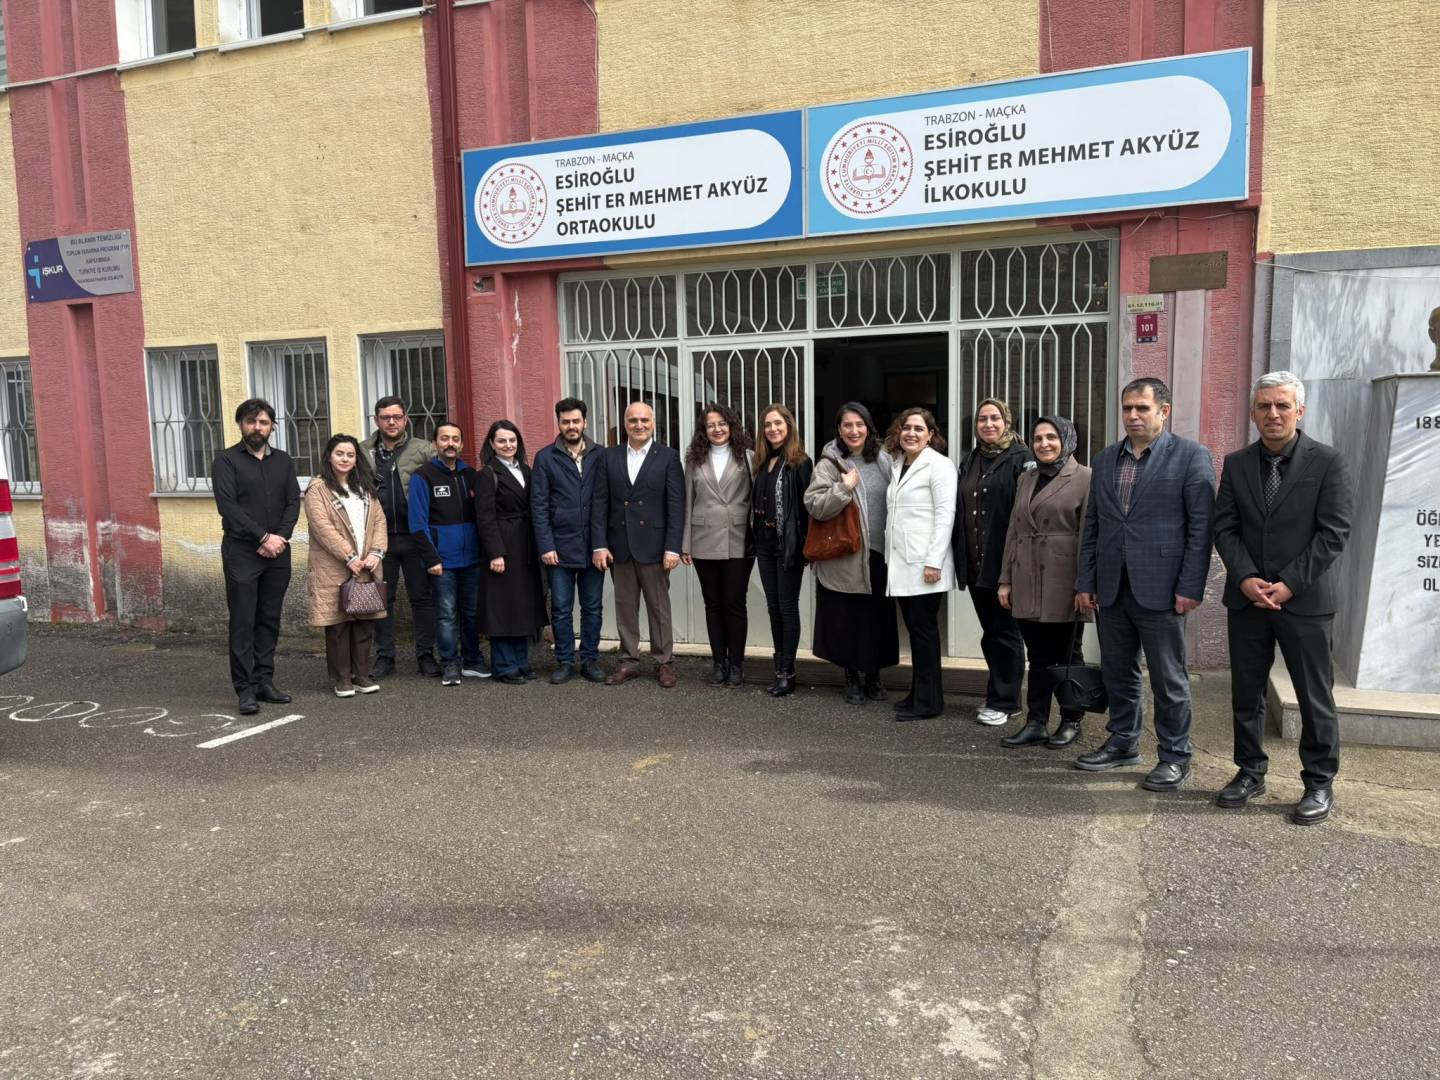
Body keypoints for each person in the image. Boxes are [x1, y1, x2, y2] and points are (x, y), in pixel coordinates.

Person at [1214, 371, 1353, 825]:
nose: (1273, 414)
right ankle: (1250, 771)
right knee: (1246, 692)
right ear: (1253, 412)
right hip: (1248, 601)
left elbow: (1333, 533)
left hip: (1305, 601)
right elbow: (1225, 527)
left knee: (1314, 696)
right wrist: (1245, 577)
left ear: (1299, 411)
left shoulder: (1328, 462)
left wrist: (1290, 581)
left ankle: (1319, 781)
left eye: (1282, 405)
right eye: (1264, 406)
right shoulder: (1236, 464)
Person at [1075, 377, 1215, 791]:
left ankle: (1174, 756)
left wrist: (1190, 586)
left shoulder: (1190, 457)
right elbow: (1094, 525)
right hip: (1112, 588)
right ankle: (1123, 742)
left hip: (1163, 589)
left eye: (1142, 408)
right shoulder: (1105, 459)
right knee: (1118, 672)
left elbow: (1201, 529)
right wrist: (1087, 580)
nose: (1132, 416)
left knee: (1169, 679)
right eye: (1127, 408)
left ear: (1164, 411)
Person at [997, 416, 1092, 748]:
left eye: (1051, 437)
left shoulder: (1085, 477)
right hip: (1026, 575)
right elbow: (1014, 529)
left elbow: (1089, 536)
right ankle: (1036, 721)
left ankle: (1071, 720)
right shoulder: (1027, 477)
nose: (1044, 444)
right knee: (1037, 654)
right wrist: (1006, 579)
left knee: (1067, 654)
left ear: (1067, 440)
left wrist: (1085, 584)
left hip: (1063, 579)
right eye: (1038, 438)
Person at [804, 402, 898, 705]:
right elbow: (815, 505)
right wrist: (843, 488)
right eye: (847, 425)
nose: (854, 430)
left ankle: (874, 676)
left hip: (880, 553)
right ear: (839, 429)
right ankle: (852, 678)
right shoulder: (829, 464)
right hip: (846, 553)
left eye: (860, 424)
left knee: (877, 618)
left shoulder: (885, 460)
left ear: (868, 427)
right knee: (847, 618)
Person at [212, 398, 300, 716]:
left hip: (278, 551)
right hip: (242, 552)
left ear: (272, 426)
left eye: (263, 422)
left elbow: (293, 502)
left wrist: (279, 538)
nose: (257, 428)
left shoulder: (283, 461)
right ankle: (245, 689)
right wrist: (262, 537)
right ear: (241, 425)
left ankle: (264, 681)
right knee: (243, 621)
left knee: (269, 619)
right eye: (251, 422)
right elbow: (228, 506)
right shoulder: (226, 460)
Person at [591, 400, 685, 688]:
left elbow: (676, 505)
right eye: (633, 420)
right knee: (625, 608)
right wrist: (599, 544)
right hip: (620, 545)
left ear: (653, 423)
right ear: (625, 424)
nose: (639, 425)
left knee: (659, 608)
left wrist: (673, 547)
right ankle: (628, 660)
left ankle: (663, 661)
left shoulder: (668, 457)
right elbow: (600, 502)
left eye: (644, 420)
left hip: (655, 547)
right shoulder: (609, 456)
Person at [952, 398, 1032, 727]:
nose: (988, 424)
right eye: (982, 419)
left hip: (1004, 564)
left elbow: (1024, 515)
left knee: (1007, 634)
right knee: (992, 633)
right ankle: (998, 694)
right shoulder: (971, 459)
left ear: (1006, 422)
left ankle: (1007, 702)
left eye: (995, 418)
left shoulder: (1021, 458)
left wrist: (1012, 569)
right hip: (976, 566)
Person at [884, 407, 957, 720]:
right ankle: (919, 694)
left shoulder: (939, 465)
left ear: (931, 435)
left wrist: (934, 562)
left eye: (918, 428)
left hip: (925, 565)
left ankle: (928, 704)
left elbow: (945, 515)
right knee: (916, 633)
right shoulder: (899, 463)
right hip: (901, 562)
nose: (911, 433)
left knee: (924, 634)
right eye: (906, 427)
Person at [303, 434, 388, 697]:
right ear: (329, 456)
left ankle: (361, 675)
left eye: (350, 455)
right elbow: (321, 527)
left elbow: (379, 522)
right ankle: (342, 679)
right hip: (334, 565)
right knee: (338, 623)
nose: (345, 459)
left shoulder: (364, 487)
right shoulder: (318, 488)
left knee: (364, 621)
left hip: (366, 564)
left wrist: (376, 553)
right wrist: (348, 556)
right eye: (340, 453)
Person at [532, 398, 606, 684]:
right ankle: (564, 660)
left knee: (592, 608)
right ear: (559, 424)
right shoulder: (545, 457)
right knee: (561, 609)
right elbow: (538, 506)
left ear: (585, 422)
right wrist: (546, 545)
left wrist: (602, 544)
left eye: (576, 421)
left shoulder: (600, 455)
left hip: (593, 547)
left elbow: (606, 502)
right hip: (559, 548)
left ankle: (589, 660)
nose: (571, 426)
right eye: (566, 422)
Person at [681, 403, 755, 688]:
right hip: (703, 538)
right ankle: (718, 663)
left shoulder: (748, 457)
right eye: (710, 425)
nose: (717, 429)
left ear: (732, 425)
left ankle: (736, 664)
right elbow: (688, 501)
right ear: (704, 430)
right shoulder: (694, 459)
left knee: (734, 603)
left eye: (722, 423)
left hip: (738, 537)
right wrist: (685, 543)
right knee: (712, 604)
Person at [365, 396, 438, 679]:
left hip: (416, 537)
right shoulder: (363, 451)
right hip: (379, 540)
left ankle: (425, 655)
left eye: (397, 417)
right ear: (376, 421)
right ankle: (385, 657)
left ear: (405, 419)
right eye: (385, 418)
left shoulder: (424, 449)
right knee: (382, 599)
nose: (391, 422)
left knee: (422, 598)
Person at [408, 422, 485, 687]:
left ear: (461, 444)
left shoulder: (471, 475)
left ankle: (472, 659)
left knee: (472, 612)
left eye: (455, 439)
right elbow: (417, 524)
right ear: (435, 444)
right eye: (444, 438)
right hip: (443, 562)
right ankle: (450, 662)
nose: (450, 443)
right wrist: (432, 559)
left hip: (472, 559)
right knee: (446, 614)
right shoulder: (423, 476)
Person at [476, 420, 549, 685]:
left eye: (512, 440)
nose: (508, 445)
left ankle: (521, 662)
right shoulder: (487, 474)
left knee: (522, 607)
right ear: (492, 444)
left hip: (526, 546)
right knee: (502, 608)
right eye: (502, 441)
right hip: (503, 547)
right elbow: (485, 518)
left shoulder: (526, 470)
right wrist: (495, 553)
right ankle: (504, 666)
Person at [751, 403, 813, 697]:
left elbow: (806, 509)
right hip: (764, 544)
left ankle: (788, 672)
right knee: (773, 607)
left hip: (787, 545)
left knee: (787, 608)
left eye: (778, 423)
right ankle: (779, 668)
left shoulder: (800, 462)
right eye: (767, 425)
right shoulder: (762, 462)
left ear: (789, 426)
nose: (772, 429)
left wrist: (805, 547)